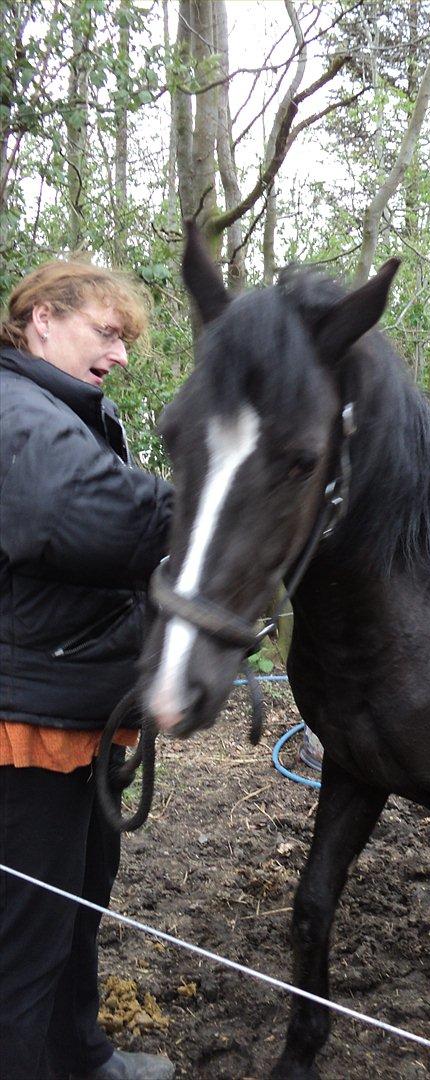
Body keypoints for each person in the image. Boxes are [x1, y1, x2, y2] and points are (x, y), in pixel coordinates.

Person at [0, 261, 174, 1080]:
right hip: (23, 721)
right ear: (40, 318)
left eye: (125, 340)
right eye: (107, 333)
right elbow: (83, 519)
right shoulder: (15, 411)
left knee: (75, 907)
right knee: (24, 935)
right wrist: (223, 507)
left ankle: (79, 1051)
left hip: (76, 705)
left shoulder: (67, 412)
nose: (122, 354)